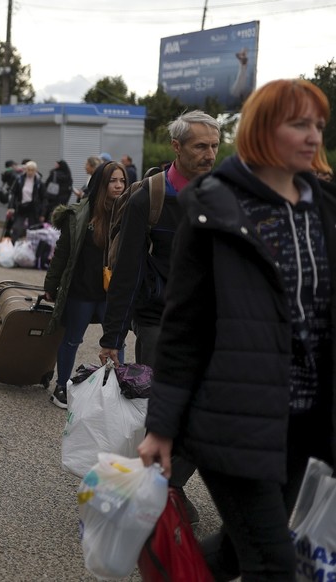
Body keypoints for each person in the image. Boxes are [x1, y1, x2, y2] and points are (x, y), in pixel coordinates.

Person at [138, 79, 336, 580]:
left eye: (319, 125)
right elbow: (185, 327)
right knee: (274, 563)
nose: (314, 136)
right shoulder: (215, 207)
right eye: (299, 124)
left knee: (234, 552)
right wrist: (161, 426)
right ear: (262, 130)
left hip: (304, 423)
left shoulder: (325, 209)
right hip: (233, 417)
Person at [99, 109, 221, 523]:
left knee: (205, 413)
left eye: (215, 146)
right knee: (162, 412)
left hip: (211, 324)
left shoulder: (223, 195)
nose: (209, 154)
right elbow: (127, 272)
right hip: (158, 322)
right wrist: (111, 336)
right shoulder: (148, 196)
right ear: (177, 146)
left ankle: (166, 486)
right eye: (200, 146)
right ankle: (151, 495)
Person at [44, 161, 127, 408]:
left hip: (111, 293)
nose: (119, 185)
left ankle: (116, 388)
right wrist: (51, 283)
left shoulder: (129, 212)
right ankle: (62, 387)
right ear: (101, 183)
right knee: (72, 338)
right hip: (81, 289)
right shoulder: (79, 214)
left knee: (116, 341)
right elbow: (62, 252)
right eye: (113, 180)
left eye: (122, 180)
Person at [7, 160, 45, 242]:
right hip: (21, 207)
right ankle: (13, 248)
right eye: (28, 169)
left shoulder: (39, 183)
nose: (30, 172)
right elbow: (13, 194)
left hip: (33, 208)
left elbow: (43, 199)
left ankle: (31, 249)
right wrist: (10, 207)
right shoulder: (19, 180)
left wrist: (42, 214)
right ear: (25, 169)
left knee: (32, 230)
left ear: (35, 170)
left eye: (32, 170)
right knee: (16, 228)